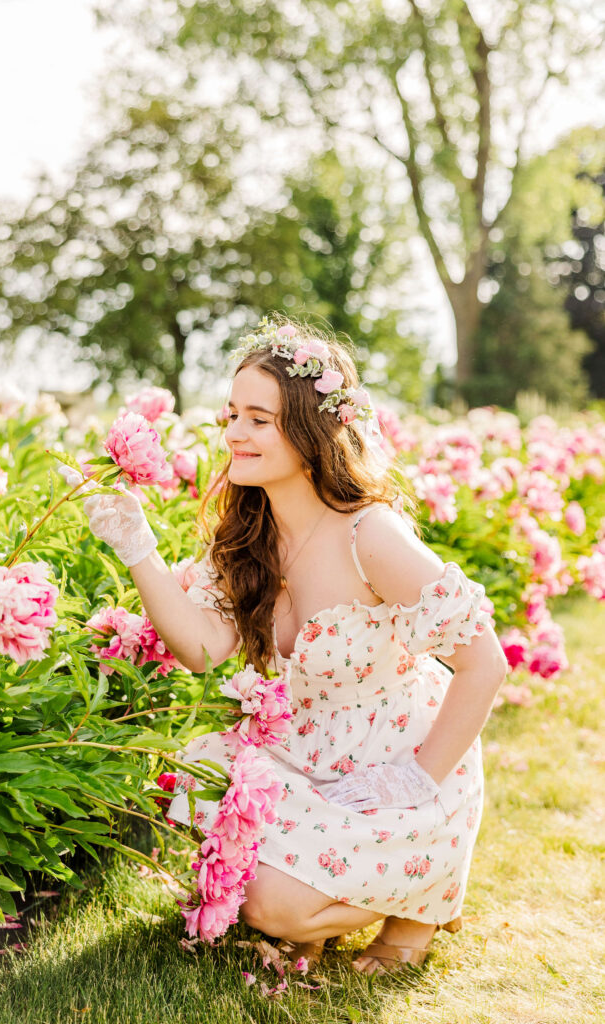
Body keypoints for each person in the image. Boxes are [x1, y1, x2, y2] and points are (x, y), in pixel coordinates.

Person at [74, 317, 507, 976]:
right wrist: (139, 551)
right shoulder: (249, 536)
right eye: (232, 415)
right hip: (302, 750)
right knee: (209, 842)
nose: (234, 434)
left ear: (309, 434)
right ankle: (330, 902)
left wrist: (414, 777)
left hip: (399, 762)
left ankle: (418, 906)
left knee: (269, 907)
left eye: (258, 419)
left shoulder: (371, 536)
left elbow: (484, 663)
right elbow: (200, 648)